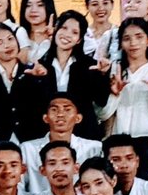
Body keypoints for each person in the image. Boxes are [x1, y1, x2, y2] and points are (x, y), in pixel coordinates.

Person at [98, 18, 148, 171]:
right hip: (118, 145)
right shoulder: (114, 71)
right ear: (121, 43)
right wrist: (115, 94)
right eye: (127, 38)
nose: (133, 43)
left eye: (139, 37)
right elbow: (102, 114)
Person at [27, 10, 109, 141]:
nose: (67, 35)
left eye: (74, 32)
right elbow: (32, 104)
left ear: (79, 40)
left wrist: (103, 75)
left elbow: (101, 100)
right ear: (56, 30)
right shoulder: (40, 65)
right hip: (46, 135)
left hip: (83, 134)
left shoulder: (90, 65)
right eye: (64, 28)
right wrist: (35, 80)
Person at [20, 93, 103, 195]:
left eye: (67, 110)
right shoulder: (27, 149)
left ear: (78, 118)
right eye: (54, 110)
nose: (60, 114)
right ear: (45, 118)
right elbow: (19, 188)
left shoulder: (94, 148)